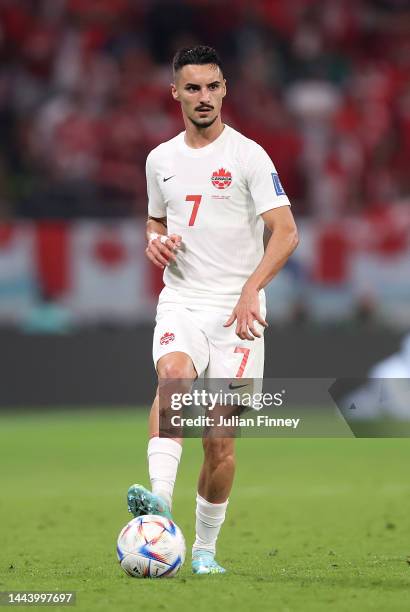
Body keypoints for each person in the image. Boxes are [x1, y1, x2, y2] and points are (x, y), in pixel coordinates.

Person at [127, 45, 298, 575]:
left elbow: (287, 232)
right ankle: (158, 506)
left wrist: (252, 290)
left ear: (225, 91)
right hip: (182, 298)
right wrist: (152, 239)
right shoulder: (160, 159)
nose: (204, 97)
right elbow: (157, 221)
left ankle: (203, 550)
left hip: (237, 312)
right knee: (173, 377)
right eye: (193, 88)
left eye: (213, 87)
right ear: (175, 92)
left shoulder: (248, 156)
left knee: (219, 441)